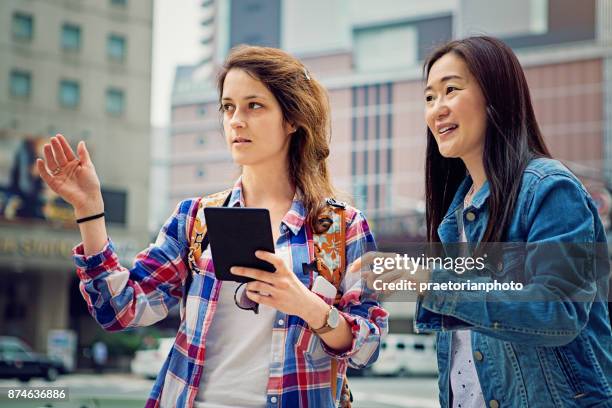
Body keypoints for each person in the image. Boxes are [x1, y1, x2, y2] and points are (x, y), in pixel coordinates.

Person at [37, 45, 388, 408]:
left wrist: (307, 305)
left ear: (292, 119)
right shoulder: (194, 219)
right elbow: (120, 308)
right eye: (228, 107)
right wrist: (90, 211)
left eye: (254, 105)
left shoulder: (342, 228)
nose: (236, 120)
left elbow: (369, 346)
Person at [353, 36, 612, 407]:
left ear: (495, 98)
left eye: (451, 90)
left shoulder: (549, 190)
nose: (437, 109)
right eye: (429, 97)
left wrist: (428, 279)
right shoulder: (453, 217)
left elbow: (559, 308)